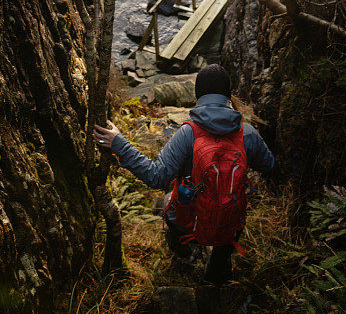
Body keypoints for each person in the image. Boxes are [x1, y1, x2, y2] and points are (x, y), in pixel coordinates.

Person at [94, 63, 274, 286]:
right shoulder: (246, 133)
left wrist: (118, 144)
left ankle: (186, 256)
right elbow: (268, 164)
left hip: (190, 221)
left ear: (197, 96)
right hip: (231, 222)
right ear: (229, 95)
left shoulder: (188, 133)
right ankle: (217, 269)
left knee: (167, 201)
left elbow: (156, 177)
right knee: (227, 222)